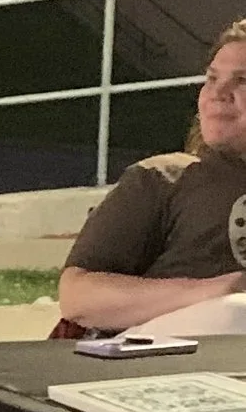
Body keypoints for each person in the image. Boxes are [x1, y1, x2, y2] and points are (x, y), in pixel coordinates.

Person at [55, 17, 246, 334]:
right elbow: (79, 298)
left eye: (242, 81)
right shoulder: (164, 178)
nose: (218, 93)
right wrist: (221, 291)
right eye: (212, 79)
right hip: (157, 364)